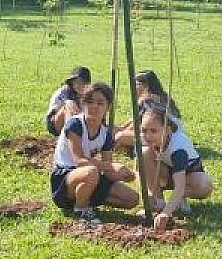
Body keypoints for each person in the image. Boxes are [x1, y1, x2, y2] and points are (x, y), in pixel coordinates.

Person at [50, 82, 139, 224]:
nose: (94, 107)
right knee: (91, 171)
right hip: (66, 178)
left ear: (108, 107)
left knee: (132, 199)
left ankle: (86, 199)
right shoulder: (75, 124)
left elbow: (108, 170)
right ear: (82, 104)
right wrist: (111, 167)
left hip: (90, 177)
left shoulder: (106, 134)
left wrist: (125, 175)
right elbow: (79, 160)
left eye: (100, 103)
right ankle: (81, 209)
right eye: (90, 102)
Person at [138, 108, 213, 234]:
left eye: (153, 131)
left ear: (166, 130)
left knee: (204, 185)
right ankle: (158, 201)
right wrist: (148, 195)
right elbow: (138, 169)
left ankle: (178, 200)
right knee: (145, 153)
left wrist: (166, 214)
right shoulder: (147, 139)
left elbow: (179, 186)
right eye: (144, 130)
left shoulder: (178, 148)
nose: (148, 136)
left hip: (188, 177)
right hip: (167, 172)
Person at [115, 70, 182, 151]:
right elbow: (135, 119)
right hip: (176, 136)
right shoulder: (163, 96)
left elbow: (137, 124)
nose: (133, 87)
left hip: (163, 137)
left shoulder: (146, 100)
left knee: (120, 137)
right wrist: (121, 127)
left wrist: (121, 132)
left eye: (136, 84)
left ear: (145, 85)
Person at [44, 66, 91, 137]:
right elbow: (69, 108)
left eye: (82, 82)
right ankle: (69, 134)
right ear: (72, 83)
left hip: (78, 120)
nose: (79, 85)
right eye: (76, 82)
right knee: (69, 105)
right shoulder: (65, 91)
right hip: (55, 121)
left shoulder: (89, 93)